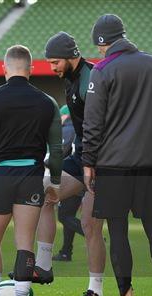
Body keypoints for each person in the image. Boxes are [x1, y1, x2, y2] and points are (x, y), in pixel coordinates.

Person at [83, 14, 152, 296]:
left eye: (98, 46)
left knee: (118, 232)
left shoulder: (101, 71)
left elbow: (93, 122)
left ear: (103, 42)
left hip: (112, 166)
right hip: (147, 164)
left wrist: (89, 161)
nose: (98, 51)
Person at [0, 45, 62, 296]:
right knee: (25, 242)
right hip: (31, 176)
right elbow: (56, 150)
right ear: (31, 69)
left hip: (0, 177)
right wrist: (55, 182)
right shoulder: (48, 102)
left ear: (4, 68)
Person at [35, 31, 106, 296]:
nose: (52, 68)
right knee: (43, 193)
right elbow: (80, 129)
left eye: (55, 62)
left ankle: (95, 292)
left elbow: (98, 126)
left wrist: (91, 164)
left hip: (99, 163)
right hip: (81, 159)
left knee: (89, 225)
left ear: (70, 56)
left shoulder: (91, 78)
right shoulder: (71, 81)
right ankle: (42, 266)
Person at [53, 105, 85, 262]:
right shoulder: (80, 126)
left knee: (64, 216)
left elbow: (63, 150)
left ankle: (89, 232)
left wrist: (48, 163)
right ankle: (66, 252)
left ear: (66, 116)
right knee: (68, 215)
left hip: (71, 175)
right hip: (82, 174)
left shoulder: (68, 127)